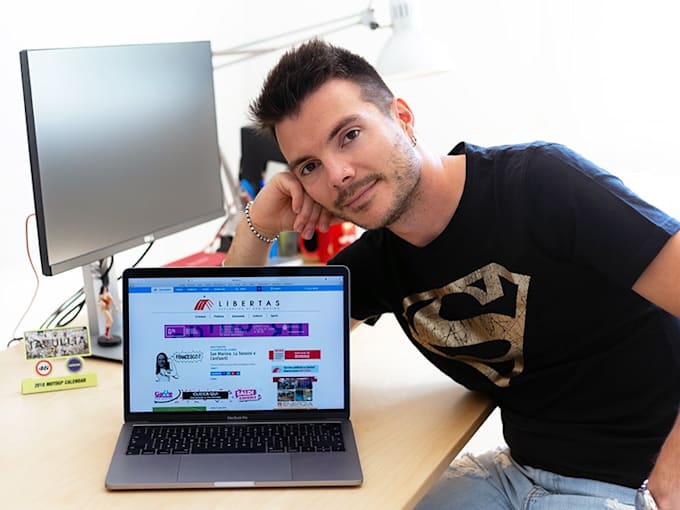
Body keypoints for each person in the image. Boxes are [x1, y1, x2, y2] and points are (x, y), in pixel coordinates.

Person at [223, 39, 680, 509]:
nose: (337, 174)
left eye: (350, 135)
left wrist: (672, 473)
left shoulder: (539, 184)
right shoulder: (378, 261)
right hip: (514, 475)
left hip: (636, 485)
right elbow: (242, 355)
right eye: (310, 166)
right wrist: (258, 225)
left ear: (402, 118)